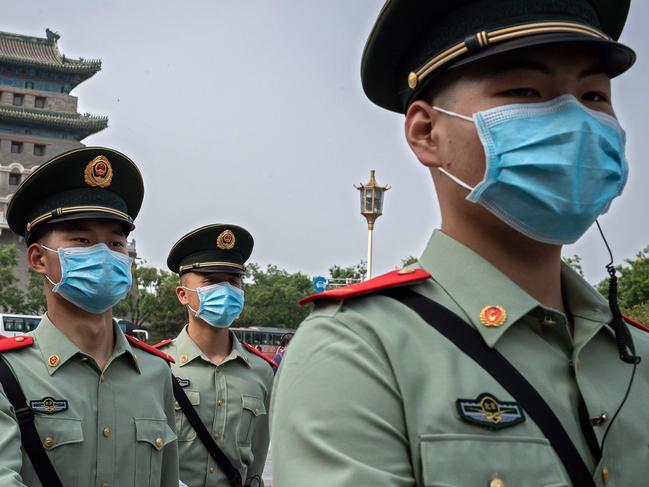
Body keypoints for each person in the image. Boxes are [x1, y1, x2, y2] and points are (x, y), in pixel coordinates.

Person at [270, 1, 649, 485]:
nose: (575, 121)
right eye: (526, 91)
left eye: (594, 96)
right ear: (426, 132)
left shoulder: (634, 353)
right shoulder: (359, 351)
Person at [0, 147, 179, 486]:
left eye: (115, 243)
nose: (103, 254)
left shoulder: (155, 372)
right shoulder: (8, 375)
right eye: (82, 240)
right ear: (38, 259)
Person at [156, 224, 274, 487]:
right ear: (183, 294)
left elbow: (256, 461)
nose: (226, 290)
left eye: (233, 282)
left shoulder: (261, 371)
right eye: (211, 281)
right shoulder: (158, 366)